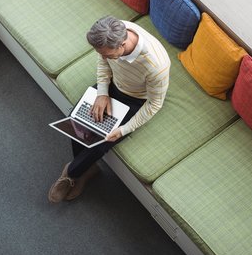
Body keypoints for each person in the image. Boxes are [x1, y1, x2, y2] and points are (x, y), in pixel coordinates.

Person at [48, 16, 171, 203]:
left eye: (107, 54)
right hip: (111, 85)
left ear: (123, 44)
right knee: (76, 123)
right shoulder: (111, 34)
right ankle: (86, 170)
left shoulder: (156, 66)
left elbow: (154, 104)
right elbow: (103, 63)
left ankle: (71, 174)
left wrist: (124, 130)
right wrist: (102, 93)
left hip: (136, 100)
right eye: (101, 53)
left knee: (100, 142)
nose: (103, 57)